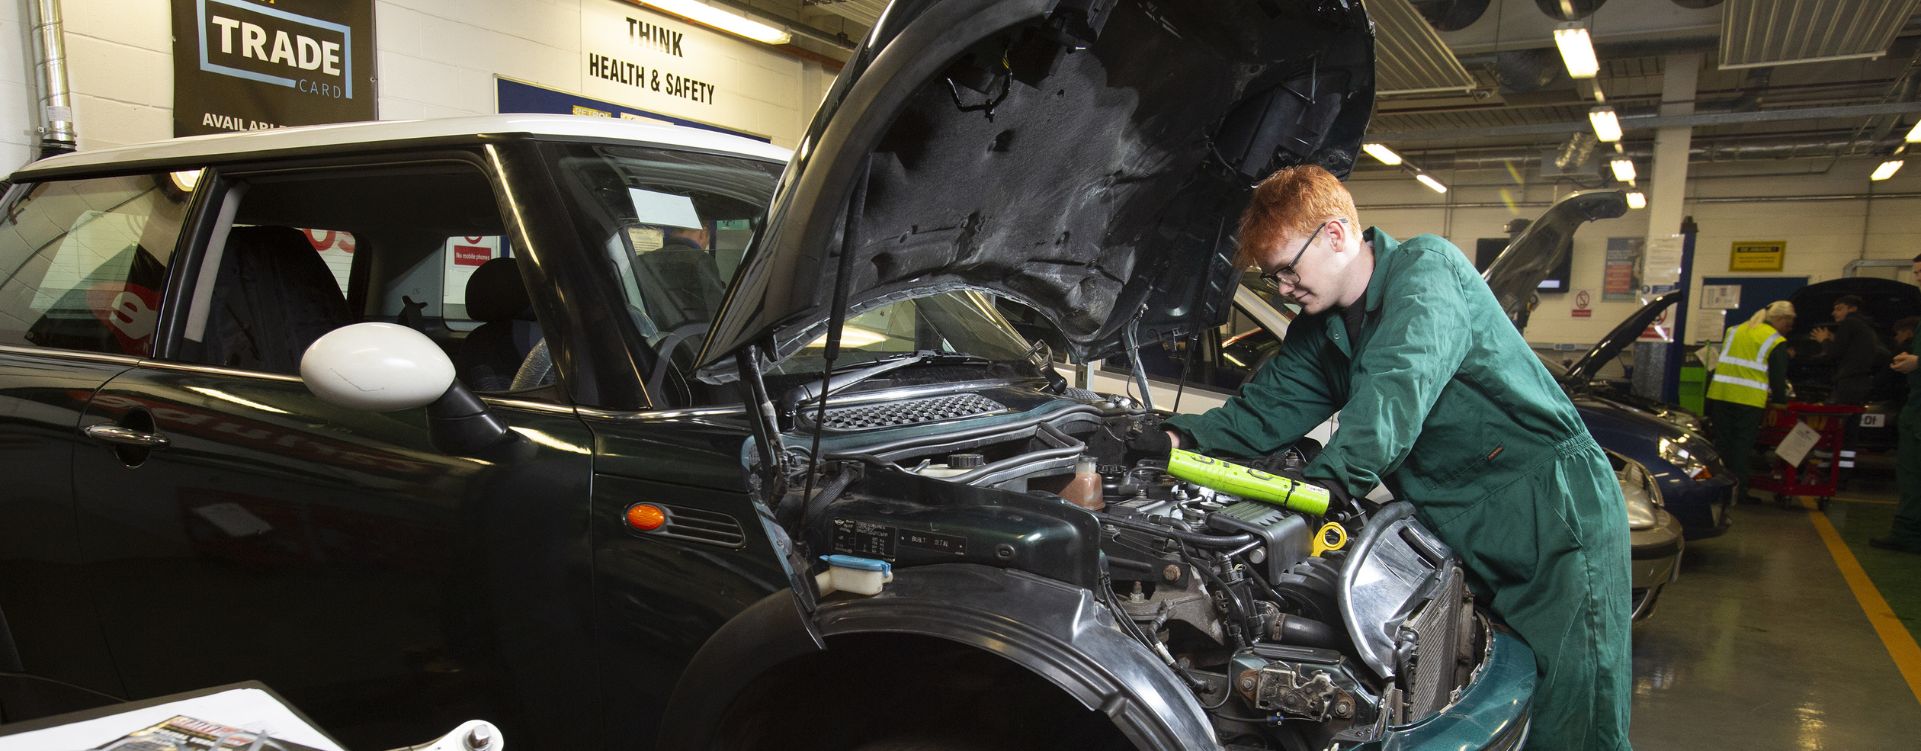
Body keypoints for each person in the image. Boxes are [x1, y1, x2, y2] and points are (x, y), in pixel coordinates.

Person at [1132, 165, 1631, 750]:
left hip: (1552, 514)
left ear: (1337, 234)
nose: (1284, 288)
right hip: (1465, 525)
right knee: (1505, 710)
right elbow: (1259, 414)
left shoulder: (1427, 270)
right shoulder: (1323, 330)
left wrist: (1330, 485)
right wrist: (1171, 438)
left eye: (1288, 269)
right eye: (1274, 279)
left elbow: (1400, 384)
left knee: (1575, 716)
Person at [1704, 301, 1795, 504]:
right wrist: (1780, 404)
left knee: (1723, 446)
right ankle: (1740, 494)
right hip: (1748, 401)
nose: (1790, 328)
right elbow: (1778, 378)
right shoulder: (1774, 339)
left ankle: (1719, 492)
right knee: (1741, 448)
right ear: (1780, 319)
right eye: (1789, 323)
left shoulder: (1734, 330)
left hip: (1721, 395)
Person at [1875, 256, 1921, 553]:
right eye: (1916, 272)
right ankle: (1906, 531)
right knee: (1911, 474)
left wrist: (1918, 363)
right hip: (1915, 407)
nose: (1918, 277)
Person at [1810, 294, 1885, 404]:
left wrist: (1824, 340)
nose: (1833, 313)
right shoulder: (1866, 326)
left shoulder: (1849, 322)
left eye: (1839, 309)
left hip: (1849, 382)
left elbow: (1834, 353)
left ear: (1853, 309)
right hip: (1863, 381)